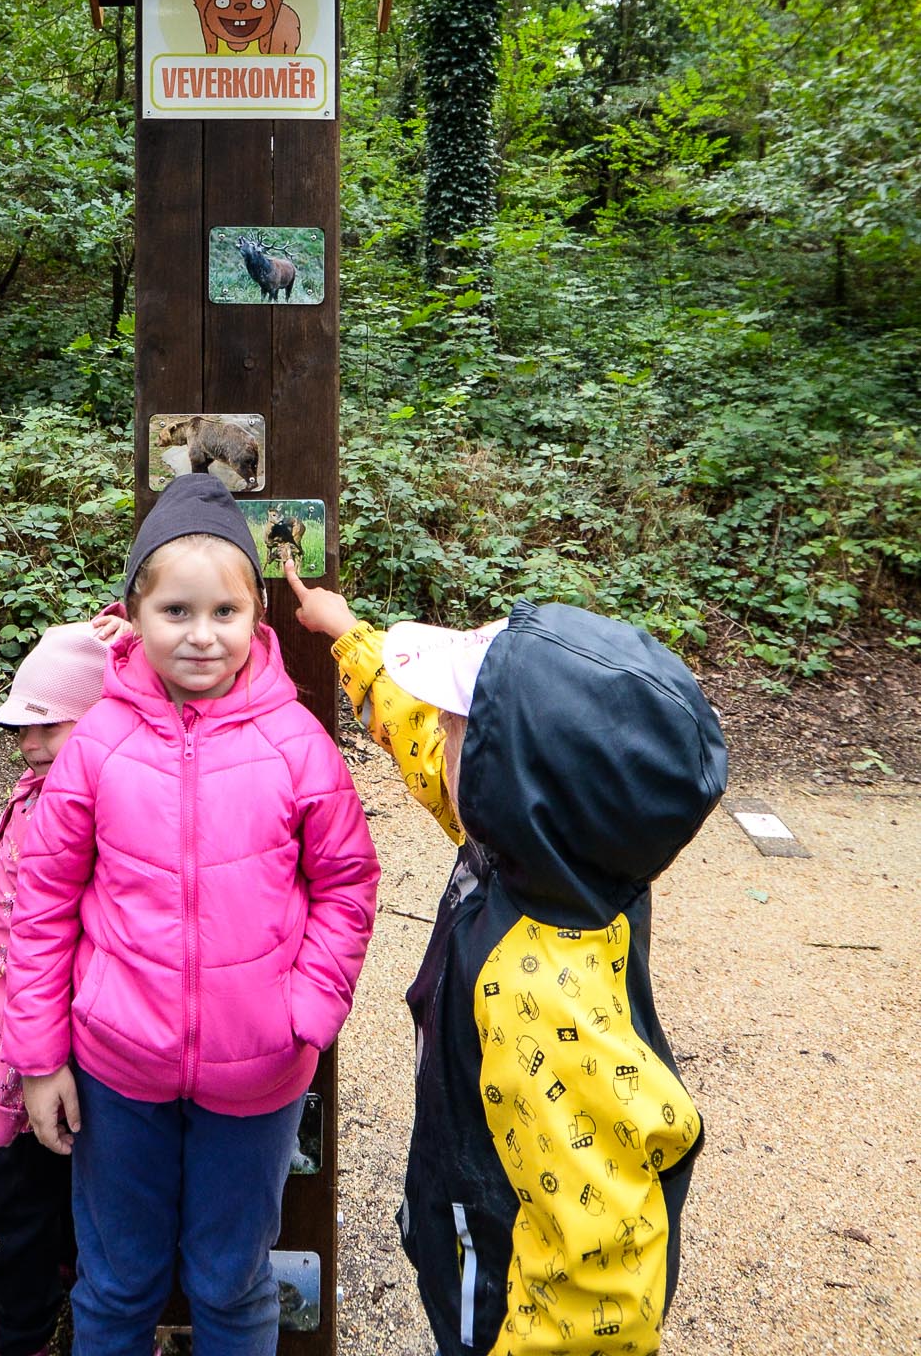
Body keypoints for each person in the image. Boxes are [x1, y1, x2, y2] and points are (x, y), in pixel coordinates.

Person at [283, 562, 728, 1356]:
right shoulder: (561, 858)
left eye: (466, 729)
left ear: (513, 787)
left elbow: (597, 1268)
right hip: (467, 1222)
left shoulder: (542, 992)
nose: (440, 732)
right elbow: (428, 748)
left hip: (496, 1289)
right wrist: (350, 640)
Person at [2, 475, 380, 1356]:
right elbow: (44, 903)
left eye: (225, 611)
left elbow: (348, 882)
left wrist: (308, 1013)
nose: (202, 635)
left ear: (257, 617)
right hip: (115, 1068)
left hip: (257, 1073)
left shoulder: (297, 742)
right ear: (135, 615)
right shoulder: (97, 742)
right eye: (176, 611)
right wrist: (39, 1056)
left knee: (230, 1279)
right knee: (119, 1280)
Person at [0, 620, 114, 1356]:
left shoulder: (79, 810)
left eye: (47, 726)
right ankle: (69, 1279)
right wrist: (109, 634)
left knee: (19, 1200)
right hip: (14, 1032)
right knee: (56, 1191)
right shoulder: (49, 779)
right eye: (20, 726)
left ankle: (14, 1335)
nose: (28, 742)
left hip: (39, 1048)